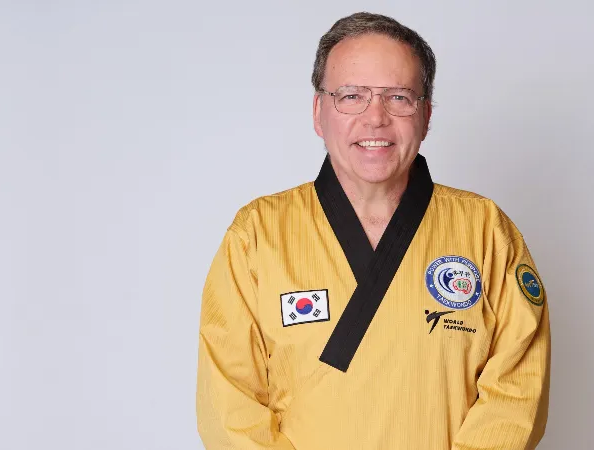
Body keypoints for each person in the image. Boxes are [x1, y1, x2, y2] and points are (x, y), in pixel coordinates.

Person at [196, 11, 551, 450]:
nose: (376, 118)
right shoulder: (257, 236)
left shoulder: (486, 231)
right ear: (318, 111)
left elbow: (518, 392)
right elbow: (230, 406)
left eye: (399, 97)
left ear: (425, 114)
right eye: (351, 96)